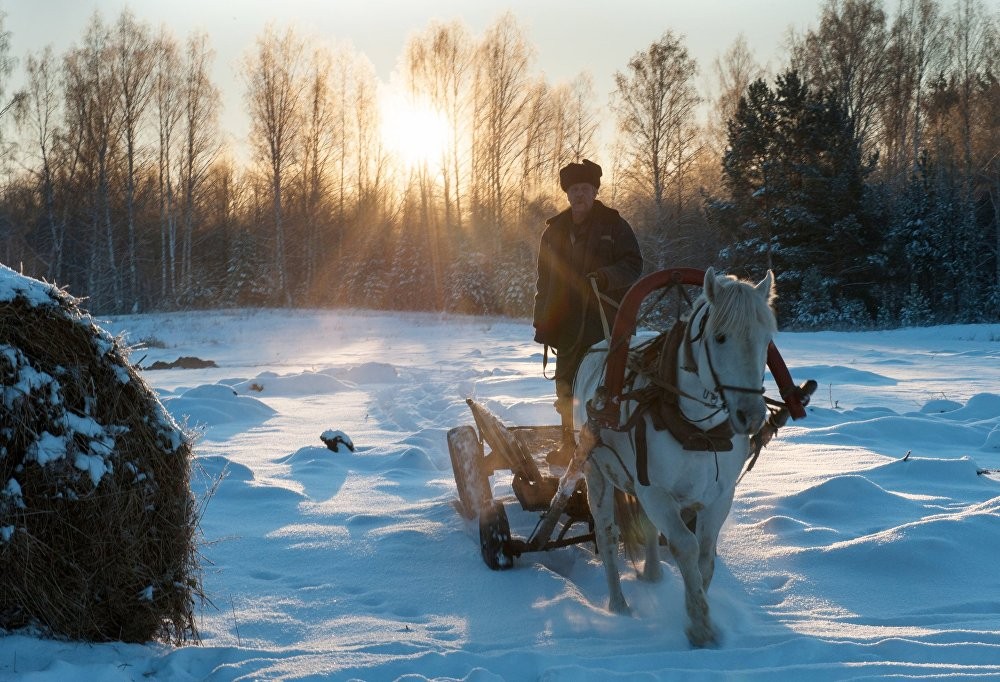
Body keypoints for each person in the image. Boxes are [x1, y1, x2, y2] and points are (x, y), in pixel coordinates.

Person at [532, 159, 643, 463]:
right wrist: (542, 321)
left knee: (605, 386)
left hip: (605, 322)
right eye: (574, 189)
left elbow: (634, 266)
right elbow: (544, 280)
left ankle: (608, 450)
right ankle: (569, 447)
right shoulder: (553, 232)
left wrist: (605, 277)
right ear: (567, 194)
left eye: (585, 189)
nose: (579, 194)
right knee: (565, 386)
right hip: (566, 323)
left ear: (595, 191)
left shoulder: (614, 225)